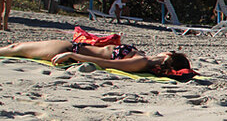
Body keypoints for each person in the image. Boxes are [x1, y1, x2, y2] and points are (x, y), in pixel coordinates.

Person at [0, 37, 193, 78]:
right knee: (16, 48)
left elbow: (105, 63)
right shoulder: (144, 58)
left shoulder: (141, 62)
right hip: (77, 48)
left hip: (71, 49)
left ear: (168, 55)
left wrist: (72, 55)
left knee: (16, 48)